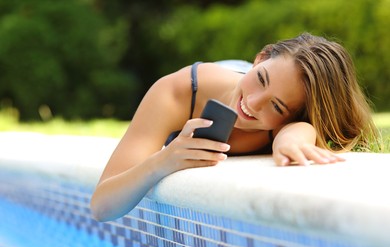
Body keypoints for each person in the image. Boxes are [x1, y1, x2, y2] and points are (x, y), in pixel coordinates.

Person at [90, 32, 379, 222]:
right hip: (220, 78)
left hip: (246, 79)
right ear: (261, 58)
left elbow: (301, 131)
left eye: (277, 106)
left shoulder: (288, 117)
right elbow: (102, 206)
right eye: (262, 78)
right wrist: (162, 162)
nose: (253, 104)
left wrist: (289, 140)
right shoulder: (176, 92)